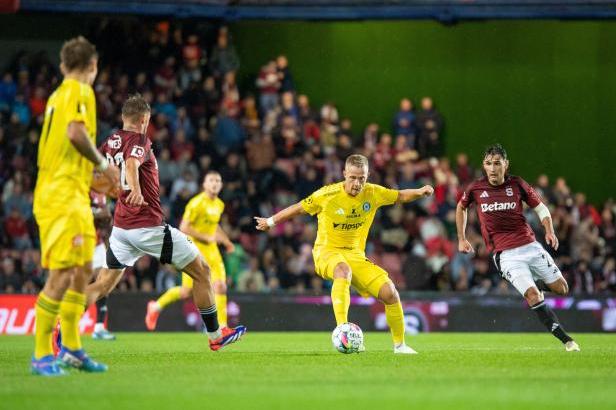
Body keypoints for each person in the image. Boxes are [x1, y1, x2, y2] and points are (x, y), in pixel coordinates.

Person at [92, 94, 246, 351]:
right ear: (144, 119)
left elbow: (97, 175)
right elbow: (131, 163)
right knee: (202, 272)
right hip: (148, 226)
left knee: (103, 284)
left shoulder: (110, 141)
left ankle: (62, 320)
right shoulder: (140, 139)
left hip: (121, 229)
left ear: (123, 117)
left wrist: (111, 192)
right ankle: (215, 334)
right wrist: (135, 188)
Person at [255, 154, 434, 354]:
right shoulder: (327, 195)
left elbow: (400, 196)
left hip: (356, 256)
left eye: (362, 178)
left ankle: (400, 346)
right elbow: (298, 208)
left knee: (390, 293)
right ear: (344, 174)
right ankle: (342, 328)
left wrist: (420, 191)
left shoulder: (373, 193)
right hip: (326, 252)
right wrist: (270, 221)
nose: (357, 183)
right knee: (343, 270)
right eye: (353, 177)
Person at [31, 36, 120, 376]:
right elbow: (74, 133)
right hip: (60, 194)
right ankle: (41, 354)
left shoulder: (57, 95)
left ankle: (72, 348)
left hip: (73, 193)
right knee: (63, 273)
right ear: (93, 67)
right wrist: (102, 164)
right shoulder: (79, 91)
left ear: (63, 64)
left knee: (83, 271)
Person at [456, 144, 580, 352]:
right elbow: (461, 207)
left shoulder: (518, 184)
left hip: (531, 246)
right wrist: (461, 237)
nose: (493, 168)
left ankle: (538, 284)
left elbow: (541, 208)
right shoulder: (476, 188)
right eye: (488, 164)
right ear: (484, 166)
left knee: (562, 289)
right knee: (532, 295)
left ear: (506, 164)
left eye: (497, 163)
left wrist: (549, 230)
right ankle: (567, 341)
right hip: (506, 255)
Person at [146, 171, 235, 331]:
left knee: (220, 286)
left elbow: (214, 226)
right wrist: (205, 237)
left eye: (218, 180)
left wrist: (227, 241)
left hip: (212, 252)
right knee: (187, 292)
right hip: (194, 252)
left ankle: (223, 326)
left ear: (221, 185)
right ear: (204, 184)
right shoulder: (196, 203)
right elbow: (184, 227)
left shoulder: (219, 204)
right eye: (211, 180)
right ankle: (156, 306)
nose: (215, 183)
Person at [90, 190, 116, 340]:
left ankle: (99, 327)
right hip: (81, 242)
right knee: (83, 285)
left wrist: (105, 218)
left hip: (98, 244)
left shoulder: (101, 193)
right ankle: (65, 324)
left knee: (104, 283)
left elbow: (107, 218)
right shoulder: (81, 186)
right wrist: (99, 215)